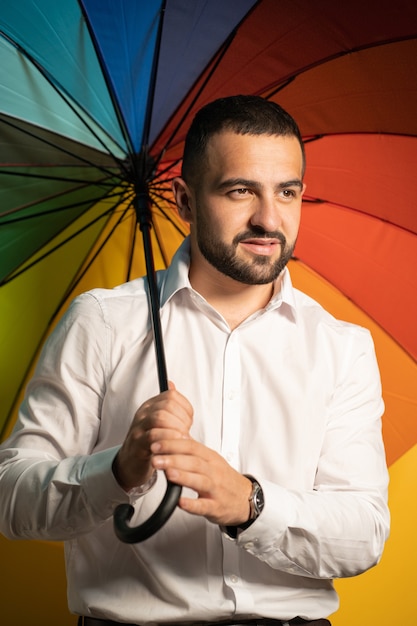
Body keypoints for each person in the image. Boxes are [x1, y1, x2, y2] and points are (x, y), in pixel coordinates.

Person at [0, 95, 389, 626]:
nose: (268, 219)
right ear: (185, 200)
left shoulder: (342, 347)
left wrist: (250, 504)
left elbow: (363, 533)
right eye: (239, 190)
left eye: (287, 192)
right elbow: (12, 499)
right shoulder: (103, 321)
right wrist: (115, 470)